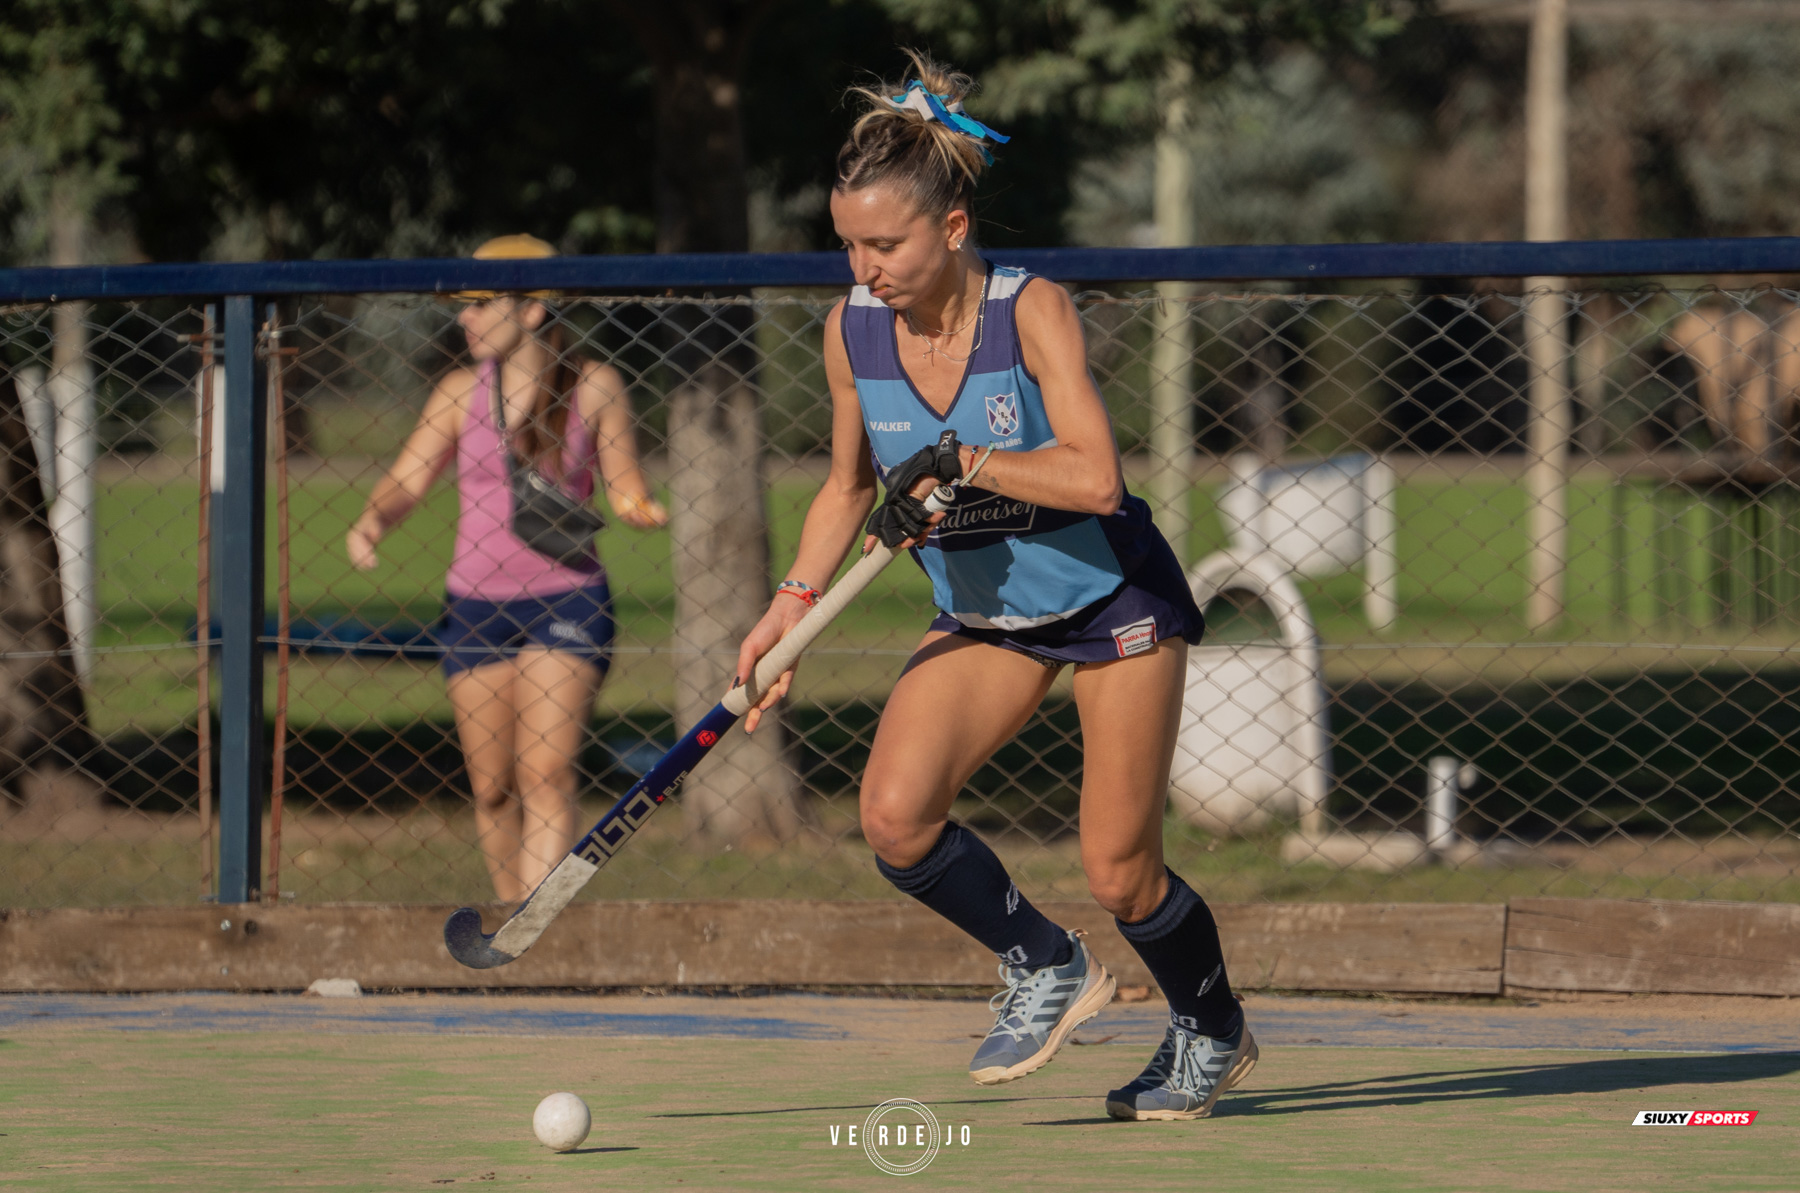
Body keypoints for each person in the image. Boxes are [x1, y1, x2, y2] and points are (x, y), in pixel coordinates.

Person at [733, 53, 1256, 1122]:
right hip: (985, 616)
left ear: (954, 229)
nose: (863, 267)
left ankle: (1211, 1026)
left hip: (1112, 604)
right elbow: (844, 488)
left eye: (885, 244)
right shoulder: (853, 330)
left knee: (1121, 869)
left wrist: (962, 459)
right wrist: (788, 607)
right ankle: (1045, 960)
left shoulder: (1032, 312)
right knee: (894, 816)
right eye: (846, 243)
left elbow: (1096, 477)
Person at [346, 234, 667, 903]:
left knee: (546, 773)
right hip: (475, 607)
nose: (464, 318)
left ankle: (532, 927)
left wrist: (636, 504)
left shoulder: (595, 384)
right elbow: (407, 478)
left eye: (482, 304)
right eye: (464, 306)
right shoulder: (459, 392)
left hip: (568, 601)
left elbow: (624, 478)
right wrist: (373, 519)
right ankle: (508, 910)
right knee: (492, 787)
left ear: (532, 309)